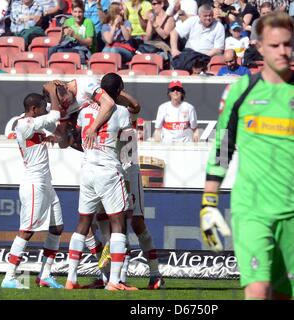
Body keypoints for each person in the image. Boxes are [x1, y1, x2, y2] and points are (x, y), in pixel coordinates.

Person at [199, 11, 294, 300]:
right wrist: (208, 202)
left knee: (283, 295)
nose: (282, 51)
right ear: (260, 46)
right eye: (274, 45)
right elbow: (223, 146)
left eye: (288, 44)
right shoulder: (239, 92)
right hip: (251, 208)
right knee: (257, 289)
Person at [65, 77, 136, 291]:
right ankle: (114, 281)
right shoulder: (122, 112)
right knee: (118, 223)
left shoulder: (85, 109)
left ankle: (71, 278)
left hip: (87, 170)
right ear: (120, 90)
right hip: (108, 170)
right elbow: (127, 146)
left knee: (83, 223)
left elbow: (77, 135)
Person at [98, 73, 165, 290]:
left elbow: (136, 105)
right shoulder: (98, 112)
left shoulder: (124, 111)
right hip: (109, 170)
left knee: (136, 223)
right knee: (110, 223)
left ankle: (155, 274)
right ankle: (113, 277)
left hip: (129, 170)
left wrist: (115, 92)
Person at [1, 89, 65, 289]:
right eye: (42, 108)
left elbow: (55, 132)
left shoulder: (33, 124)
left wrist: (53, 138)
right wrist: (55, 94)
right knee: (27, 231)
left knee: (57, 228)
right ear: (33, 109)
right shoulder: (23, 124)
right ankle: (9, 277)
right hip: (34, 184)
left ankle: (45, 275)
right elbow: (54, 116)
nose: (45, 111)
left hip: (46, 182)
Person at [170, 4, 225, 72]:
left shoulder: (219, 27)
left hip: (206, 56)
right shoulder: (193, 20)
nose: (208, 18)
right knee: (177, 62)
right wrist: (174, 50)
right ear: (199, 16)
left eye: (210, 15)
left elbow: (218, 49)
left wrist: (200, 57)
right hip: (189, 53)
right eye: (205, 16)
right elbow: (174, 33)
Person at [48, 0, 95, 65]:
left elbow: (89, 43)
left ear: (84, 12)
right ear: (72, 12)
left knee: (62, 51)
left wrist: (75, 36)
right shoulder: (68, 21)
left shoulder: (88, 22)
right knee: (52, 50)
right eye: (75, 12)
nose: (77, 15)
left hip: (84, 49)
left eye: (80, 12)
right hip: (70, 46)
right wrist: (62, 33)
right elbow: (60, 41)